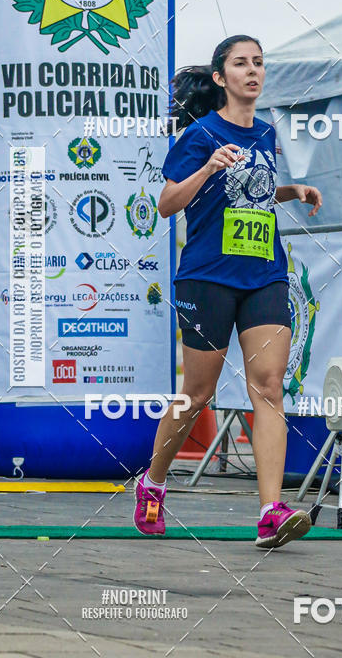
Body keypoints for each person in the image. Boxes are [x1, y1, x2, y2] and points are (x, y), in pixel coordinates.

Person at [133, 34, 322, 548]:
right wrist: (208, 166)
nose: (253, 71)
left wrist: (290, 191)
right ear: (220, 78)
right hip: (208, 276)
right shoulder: (199, 135)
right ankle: (152, 483)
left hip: (264, 273)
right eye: (241, 64)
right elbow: (169, 203)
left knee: (269, 385)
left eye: (259, 63)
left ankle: (269, 511)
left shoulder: (265, 133)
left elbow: (251, 193)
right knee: (198, 395)